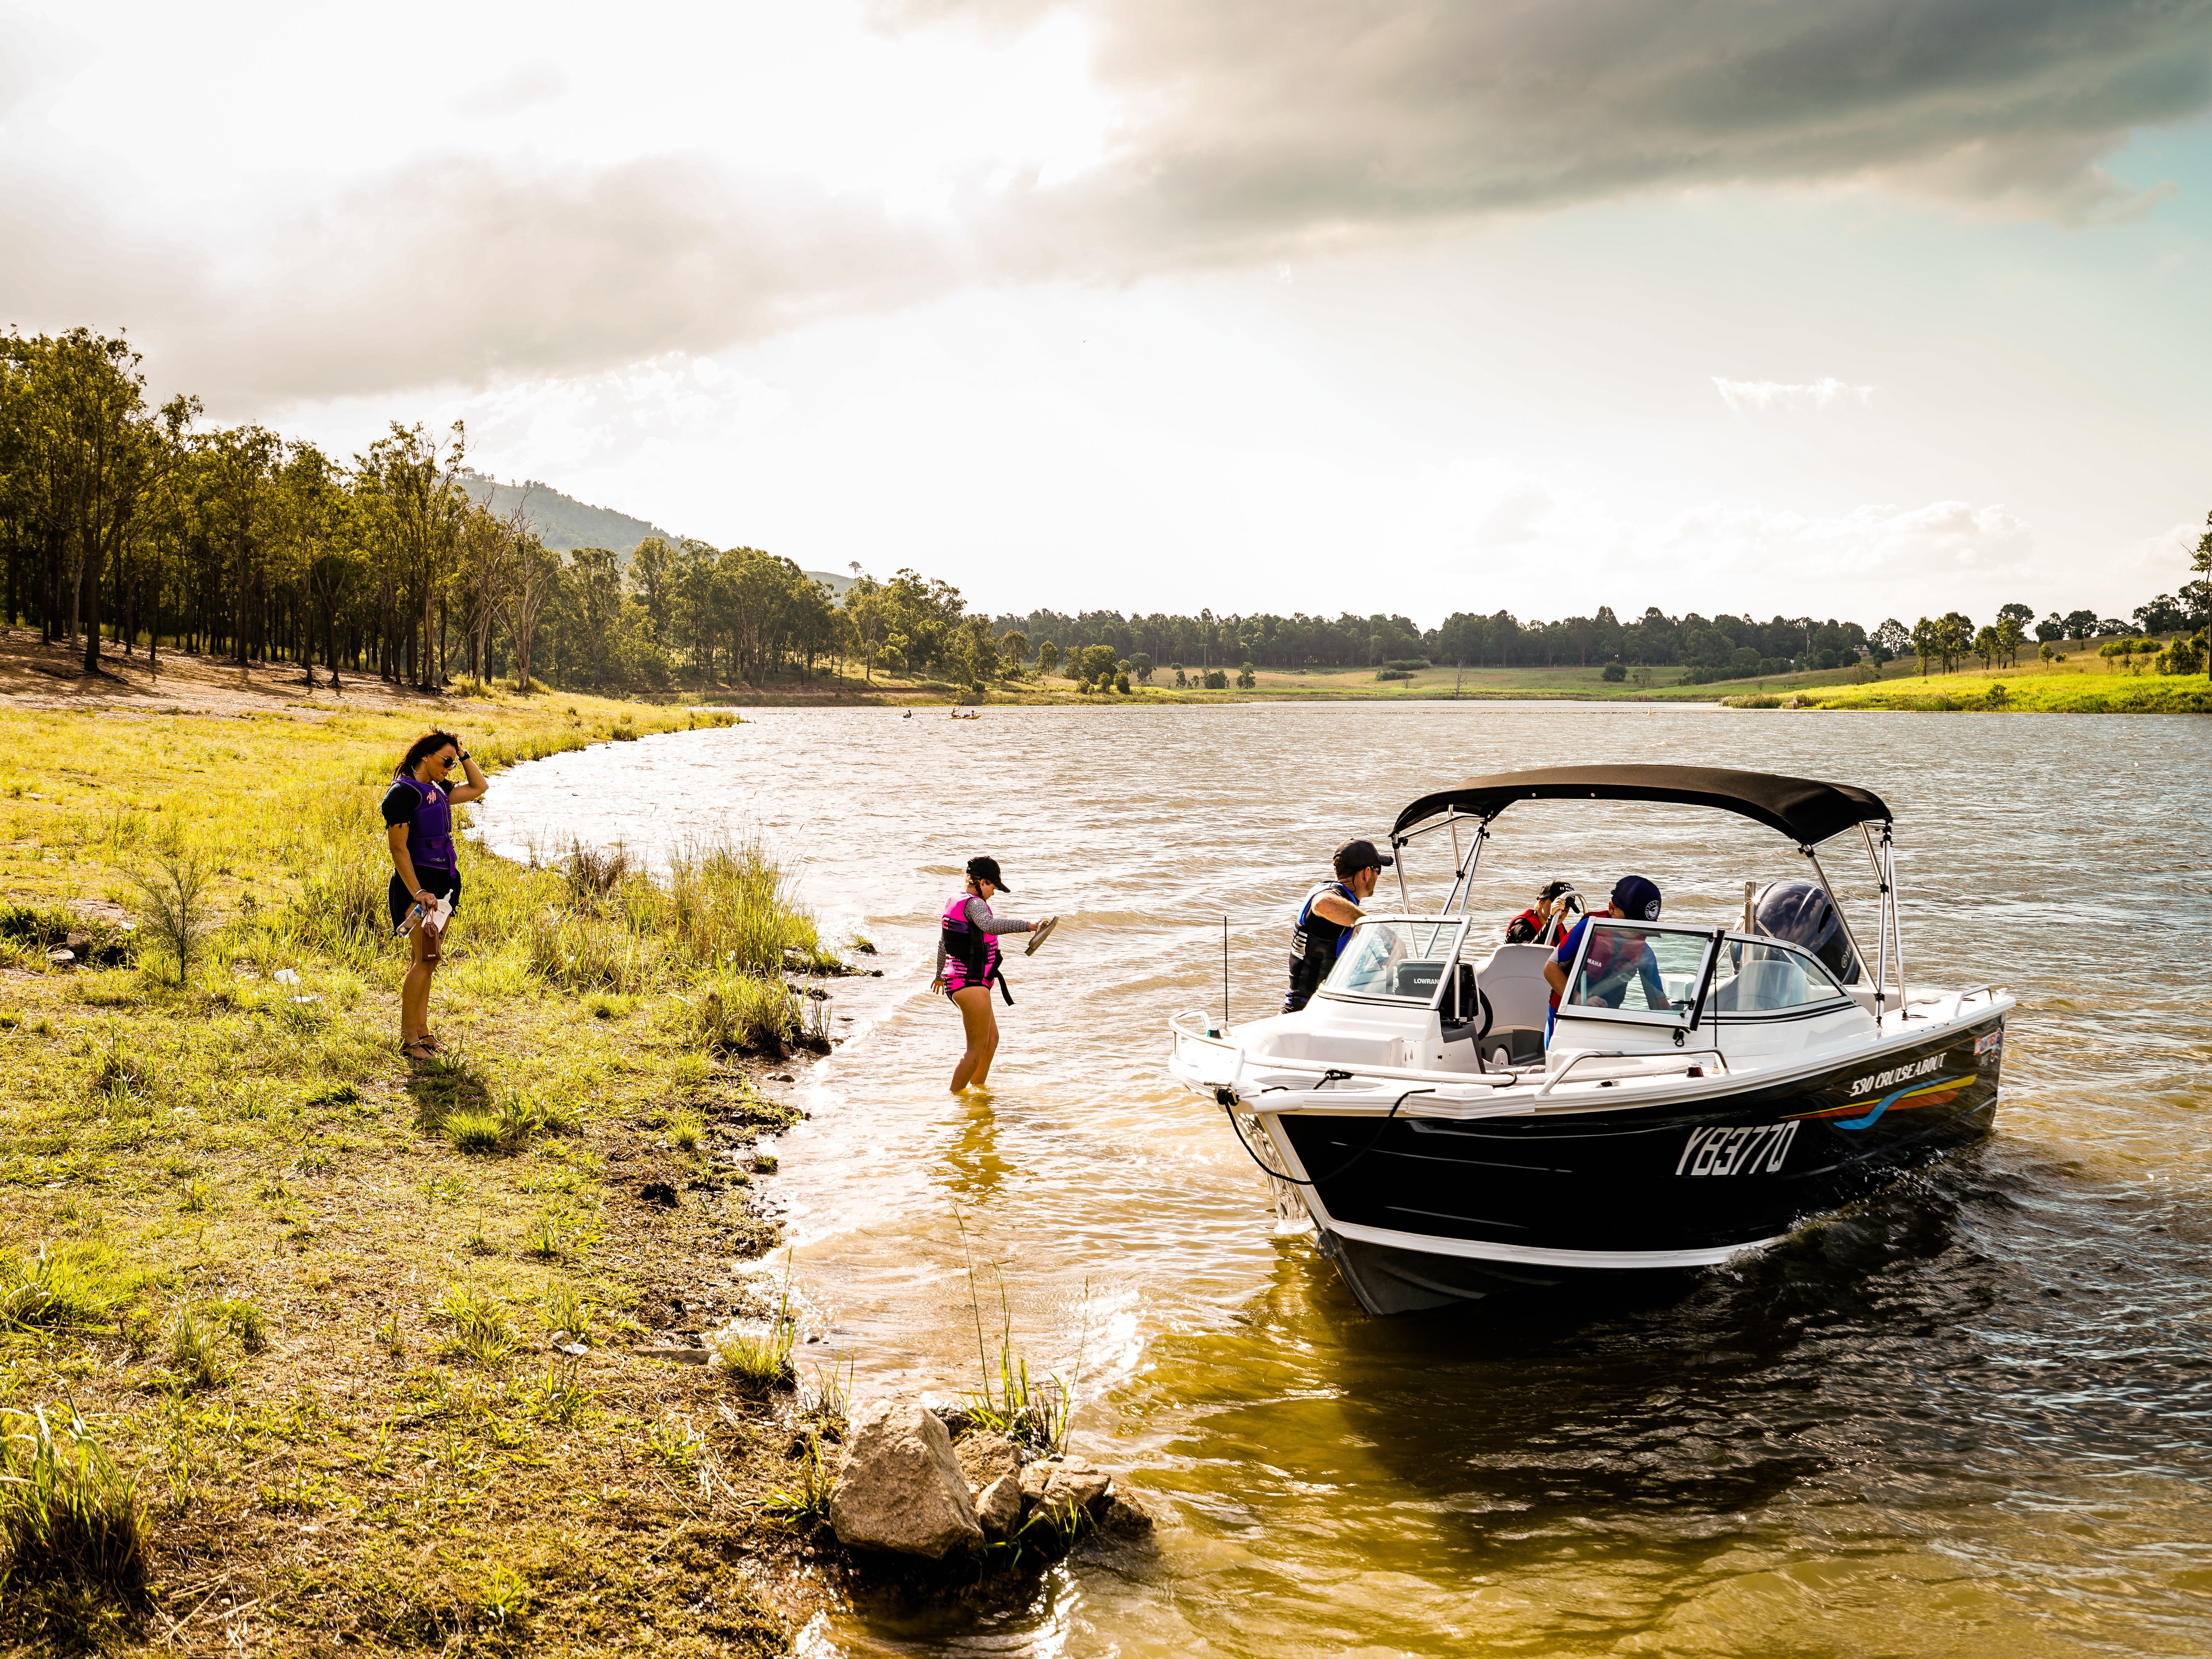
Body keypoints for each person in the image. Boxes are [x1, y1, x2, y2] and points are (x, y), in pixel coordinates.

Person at [383, 730, 488, 1062]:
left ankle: (423, 1031)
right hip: (419, 886)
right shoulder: (403, 793)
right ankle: (409, 1039)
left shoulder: (439, 791)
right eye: (446, 761)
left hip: (444, 886)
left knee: (431, 959)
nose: (450, 768)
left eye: (454, 763)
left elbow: (479, 787)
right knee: (425, 959)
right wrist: (418, 892)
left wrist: (462, 753)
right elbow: (398, 849)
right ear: (426, 756)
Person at [932, 856, 1053, 1093]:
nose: (994, 894)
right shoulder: (975, 904)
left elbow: (943, 943)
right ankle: (954, 1099)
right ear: (982, 882)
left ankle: (977, 1094)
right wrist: (1030, 925)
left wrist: (939, 975)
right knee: (976, 1049)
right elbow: (990, 926)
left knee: (991, 1042)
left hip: (963, 981)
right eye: (993, 887)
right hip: (969, 981)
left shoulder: (954, 901)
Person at [1283, 838, 1394, 1013]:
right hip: (1308, 1012)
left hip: (1311, 1008)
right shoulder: (1329, 897)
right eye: (1377, 870)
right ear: (1367, 873)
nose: (1378, 876)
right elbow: (1323, 904)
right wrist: (1383, 932)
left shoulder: (1330, 893)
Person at [1543, 875, 1668, 1017]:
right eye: (1633, 924)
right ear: (1612, 908)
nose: (1638, 932)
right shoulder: (1587, 929)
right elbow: (1551, 968)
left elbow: (1658, 1002)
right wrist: (1579, 1000)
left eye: (1645, 927)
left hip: (1606, 1016)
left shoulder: (1644, 953)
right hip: (1565, 1013)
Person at [1505, 880, 1579, 945]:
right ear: (1541, 903)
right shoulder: (1521, 924)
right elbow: (1531, 952)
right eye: (1558, 907)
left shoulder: (1559, 927)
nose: (1562, 912)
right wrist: (1552, 918)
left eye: (1567, 908)